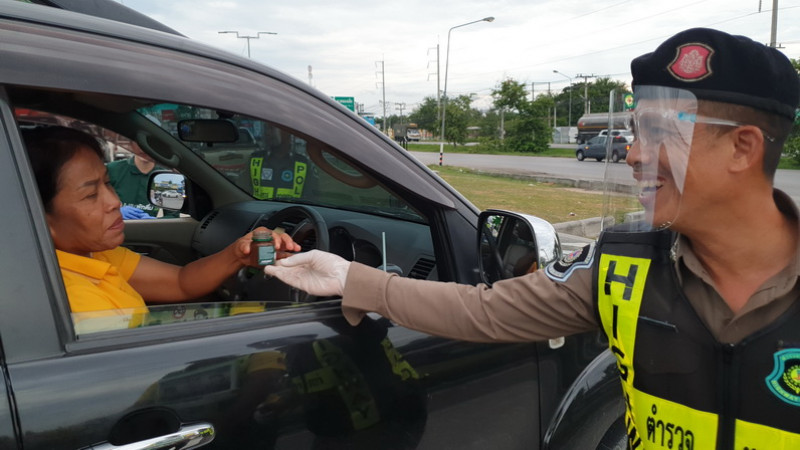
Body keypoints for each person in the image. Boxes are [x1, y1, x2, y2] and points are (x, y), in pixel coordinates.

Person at [265, 28, 800, 449]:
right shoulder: (622, 266)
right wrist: (350, 277)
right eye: (637, 132)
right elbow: (485, 311)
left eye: (660, 133)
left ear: (742, 148)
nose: (635, 155)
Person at [23, 126, 301, 331]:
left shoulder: (91, 255)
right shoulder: (79, 304)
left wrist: (237, 255)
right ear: (38, 218)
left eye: (107, 184)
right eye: (90, 195)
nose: (115, 202)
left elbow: (181, 282)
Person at [106, 142, 176, 219]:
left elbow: (174, 216)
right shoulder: (113, 170)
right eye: (140, 143)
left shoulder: (166, 178)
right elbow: (95, 205)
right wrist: (116, 211)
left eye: (150, 144)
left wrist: (155, 222)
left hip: (148, 230)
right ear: (132, 145)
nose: (144, 148)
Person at [249, 126, 315, 200]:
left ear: (288, 132)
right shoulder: (254, 160)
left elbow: (312, 200)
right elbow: (242, 196)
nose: (267, 133)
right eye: (266, 128)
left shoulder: (303, 163)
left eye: (273, 128)